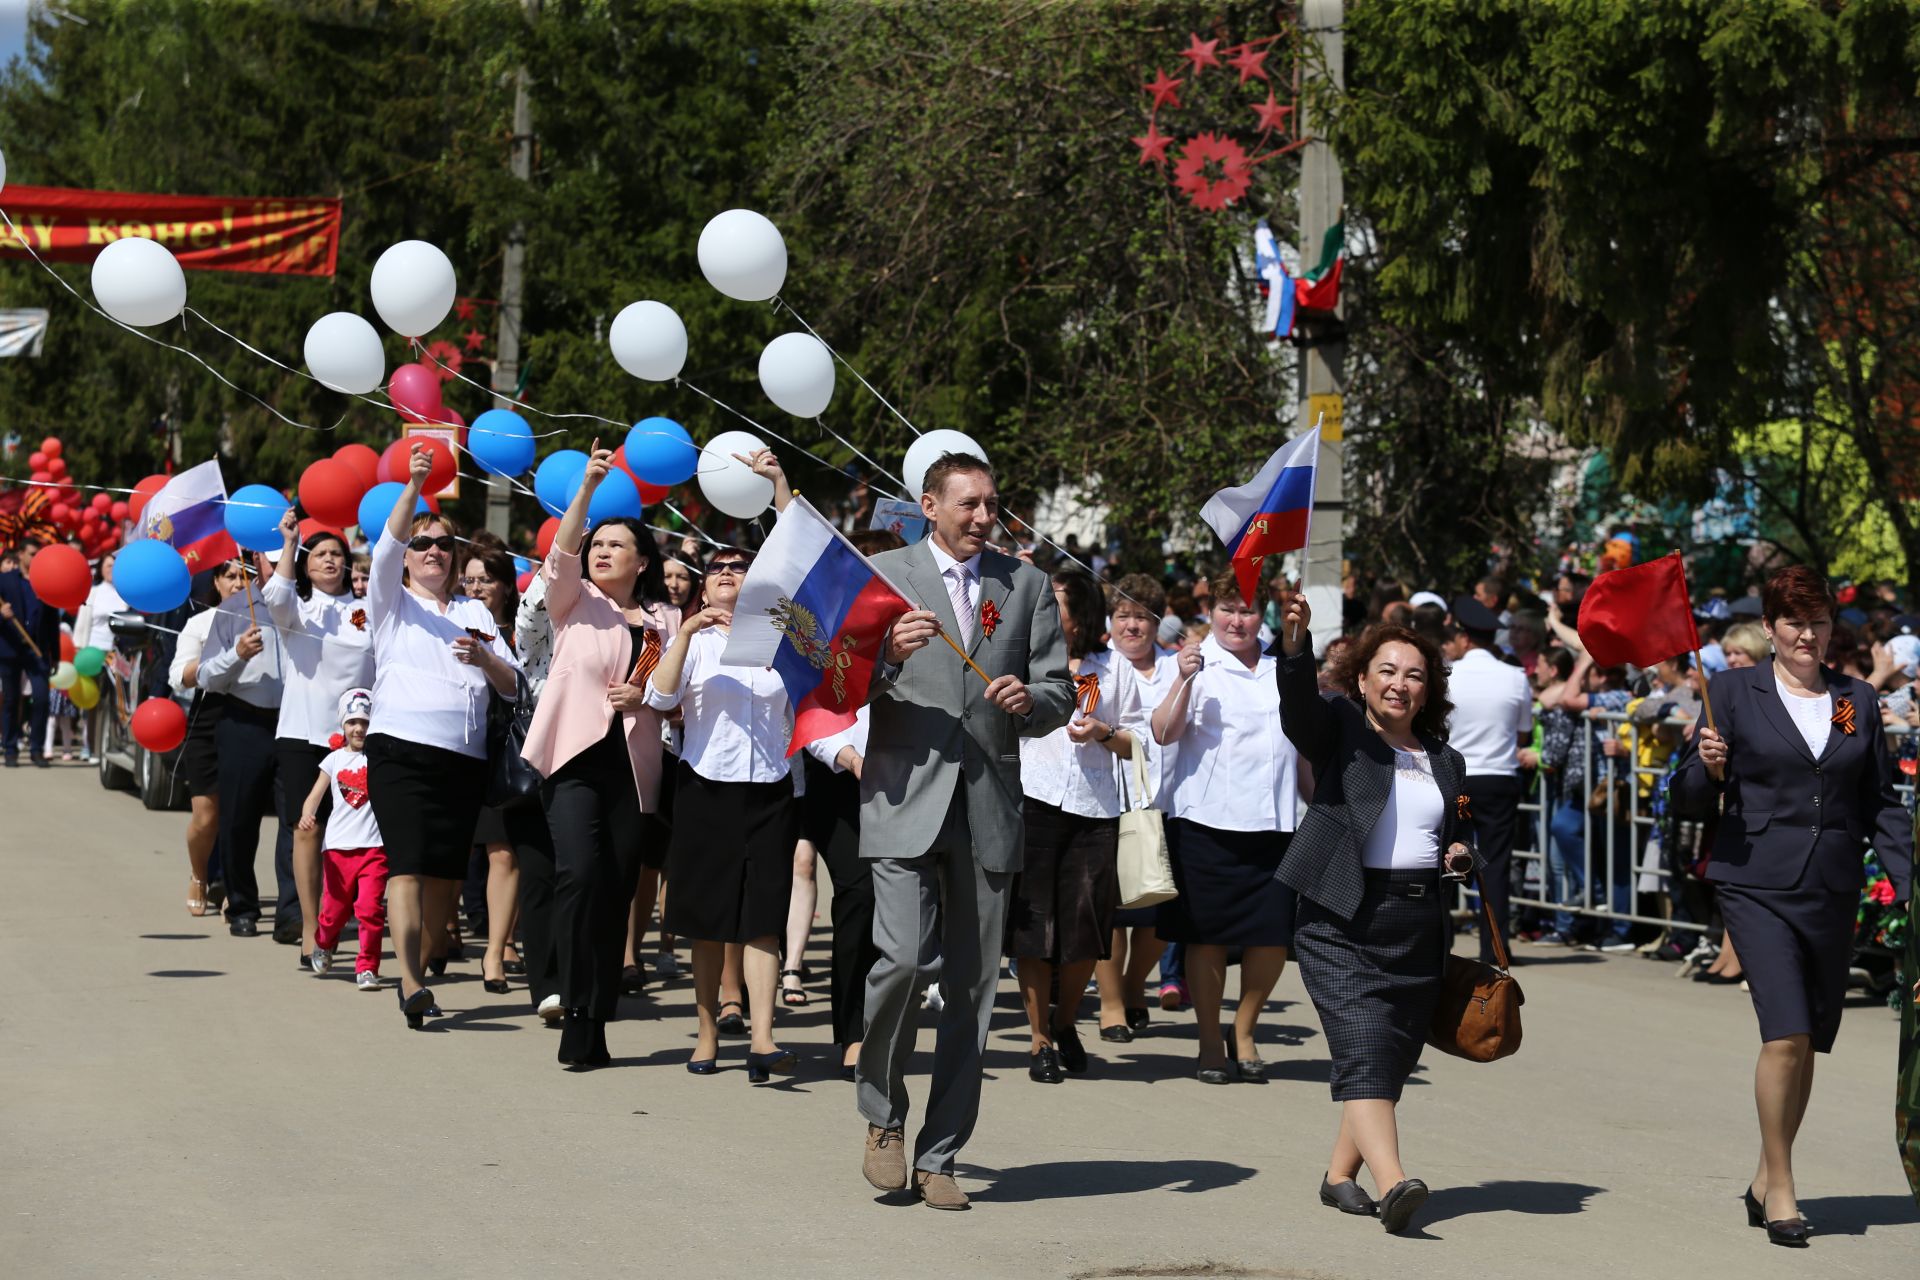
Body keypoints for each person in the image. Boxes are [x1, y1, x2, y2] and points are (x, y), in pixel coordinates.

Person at [855, 451, 1074, 1211]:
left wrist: (1034, 700)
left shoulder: (1028, 585)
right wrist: (885, 655)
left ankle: (942, 1151)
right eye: (969, 504)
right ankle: (882, 1118)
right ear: (929, 505)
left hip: (989, 806)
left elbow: (1059, 687)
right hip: (902, 795)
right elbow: (832, 671)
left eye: (991, 504)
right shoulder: (883, 576)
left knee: (973, 988)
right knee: (905, 961)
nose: (984, 517)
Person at [1675, 564, 1913, 1247]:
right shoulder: (1730, 691)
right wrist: (1707, 766)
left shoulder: (1857, 700)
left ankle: (1761, 1175)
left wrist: (1911, 884)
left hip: (1831, 888)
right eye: (1793, 622)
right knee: (1783, 1033)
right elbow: (1690, 795)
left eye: (1817, 622)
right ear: (1771, 628)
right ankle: (1782, 1187)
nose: (1806, 634)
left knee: (1808, 1038)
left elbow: (1879, 804)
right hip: (1755, 883)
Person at [1275, 598, 1478, 1235]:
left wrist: (1461, 854)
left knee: (1385, 1058)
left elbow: (1460, 833)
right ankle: (1394, 1184)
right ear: (1362, 680)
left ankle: (1340, 1177)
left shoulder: (1445, 759)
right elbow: (1300, 711)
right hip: (1339, 916)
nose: (1399, 683)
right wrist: (1297, 643)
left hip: (1417, 925)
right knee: (1362, 1047)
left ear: (1428, 690)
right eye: (1386, 671)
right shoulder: (1341, 731)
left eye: (1414, 674)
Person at [522, 443, 680, 1068]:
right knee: (579, 876)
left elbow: (676, 698)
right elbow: (561, 554)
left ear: (643, 561)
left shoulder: (668, 619)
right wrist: (586, 491)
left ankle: (596, 1013)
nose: (603, 551)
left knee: (615, 890)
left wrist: (648, 692)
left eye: (617, 544)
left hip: (634, 767)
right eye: (598, 544)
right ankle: (569, 1001)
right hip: (573, 757)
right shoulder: (574, 602)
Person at [365, 445, 521, 1029]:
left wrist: (485, 657)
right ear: (408, 557)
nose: (433, 551)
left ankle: (422, 963)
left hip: (461, 759)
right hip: (399, 751)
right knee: (405, 865)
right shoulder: (392, 601)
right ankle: (409, 983)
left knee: (444, 877)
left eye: (443, 545)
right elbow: (384, 549)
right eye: (422, 544)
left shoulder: (476, 613)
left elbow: (512, 686)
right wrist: (414, 483)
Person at [646, 538, 800, 1083]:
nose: (729, 573)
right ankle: (708, 1032)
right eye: (718, 568)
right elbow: (660, 700)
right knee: (708, 922)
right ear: (704, 584)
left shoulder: (782, 640)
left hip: (770, 791)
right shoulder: (695, 640)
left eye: (741, 566)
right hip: (706, 788)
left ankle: (762, 1038)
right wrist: (686, 633)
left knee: (763, 920)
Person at [1151, 571, 1303, 1084]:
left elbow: (1300, 748)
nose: (1237, 620)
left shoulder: (1284, 667)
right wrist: (1182, 677)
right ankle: (1210, 1038)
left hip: (1277, 821)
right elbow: (1163, 732)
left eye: (1249, 609)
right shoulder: (1196, 663)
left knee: (1272, 938)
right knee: (1207, 937)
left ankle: (1245, 1028)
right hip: (1207, 820)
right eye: (1228, 609)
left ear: (1267, 615)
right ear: (1211, 612)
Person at [1009, 569, 1135, 1082]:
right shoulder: (1025, 662)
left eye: (1056, 603)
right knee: (1034, 928)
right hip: (1033, 797)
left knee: (1085, 932)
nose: (1047, 611)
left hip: (1094, 808)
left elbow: (1137, 743)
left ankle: (1065, 1022)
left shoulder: (1114, 669)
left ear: (1079, 613)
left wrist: (1103, 732)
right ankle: (1039, 1038)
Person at [264, 512, 373, 968]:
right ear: (307, 564)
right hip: (303, 734)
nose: (329, 560)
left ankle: (352, 920)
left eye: (337, 554)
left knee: (360, 838)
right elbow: (275, 595)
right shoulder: (298, 609)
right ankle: (311, 928)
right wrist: (290, 543)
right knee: (308, 831)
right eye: (320, 554)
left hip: (359, 741)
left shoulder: (366, 609)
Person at [1094, 574, 1178, 1042]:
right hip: (1109, 800)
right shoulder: (1098, 667)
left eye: (1142, 617)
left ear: (1157, 623)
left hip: (1170, 803)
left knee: (1159, 909)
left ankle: (1133, 985)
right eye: (1123, 616)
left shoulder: (1176, 667)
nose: (1132, 626)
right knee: (1113, 911)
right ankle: (1111, 1006)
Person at [198, 552, 298, 941]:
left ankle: (291, 912)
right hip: (244, 721)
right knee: (239, 819)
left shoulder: (303, 606)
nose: (281, 566)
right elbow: (206, 677)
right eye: (273, 560)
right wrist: (236, 656)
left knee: (297, 821)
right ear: (256, 560)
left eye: (288, 557)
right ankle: (242, 904)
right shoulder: (235, 608)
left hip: (294, 723)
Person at [1445, 596, 1533, 963]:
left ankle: (1440, 940)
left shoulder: (1449, 674)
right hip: (1499, 776)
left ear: (1464, 638)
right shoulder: (1515, 676)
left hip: (1457, 777)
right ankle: (1494, 946)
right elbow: (1524, 731)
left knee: (1445, 861)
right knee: (1496, 865)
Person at [462, 544, 530, 995]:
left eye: (485, 579)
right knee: (456, 849)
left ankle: (497, 948)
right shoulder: (447, 620)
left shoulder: (524, 630)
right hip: (459, 745)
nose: (476, 587)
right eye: (468, 579)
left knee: (503, 852)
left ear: (506, 584)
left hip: (505, 747)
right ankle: (440, 931)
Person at [169, 561, 250, 915]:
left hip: (251, 717)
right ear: (216, 582)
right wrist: (215, 660)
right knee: (206, 816)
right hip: (208, 719)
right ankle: (200, 875)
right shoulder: (199, 624)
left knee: (239, 813)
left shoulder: (266, 621)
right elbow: (178, 676)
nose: (237, 582)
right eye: (230, 576)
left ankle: (235, 885)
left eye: (246, 576)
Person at [298, 688, 388, 990]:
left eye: (364, 721)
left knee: (370, 910)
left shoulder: (379, 759)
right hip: (337, 849)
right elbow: (314, 795)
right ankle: (322, 942)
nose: (359, 728)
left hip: (374, 848)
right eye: (352, 722)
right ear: (342, 725)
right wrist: (307, 815)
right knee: (334, 912)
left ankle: (367, 967)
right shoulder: (334, 760)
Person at [0, 538, 59, 769]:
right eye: (33, 554)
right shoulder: (4, 581)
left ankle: (36, 749)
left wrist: (56, 654)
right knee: (12, 700)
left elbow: (52, 621)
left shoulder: (45, 583)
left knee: (42, 699)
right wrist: (1, 613)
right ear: (21, 555)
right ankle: (11, 748)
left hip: (38, 651)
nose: (36, 559)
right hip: (10, 649)